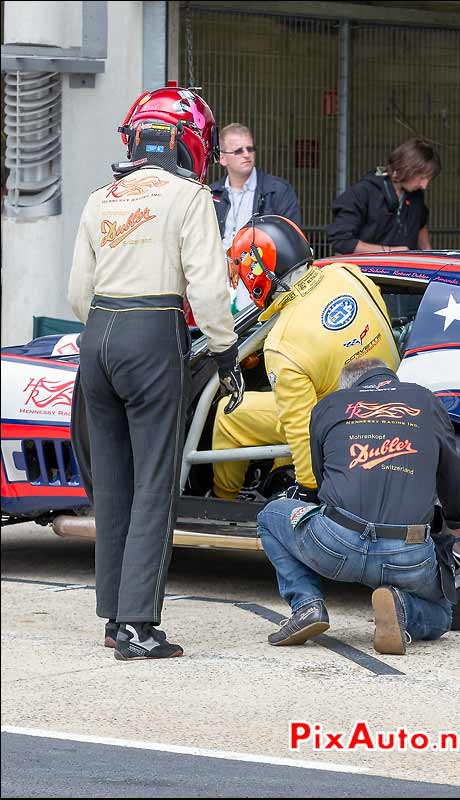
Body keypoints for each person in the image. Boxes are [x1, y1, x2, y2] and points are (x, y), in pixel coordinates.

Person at [67, 84, 244, 661]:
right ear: (188, 140)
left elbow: (77, 294)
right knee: (154, 486)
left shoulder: (103, 197)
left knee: (113, 487)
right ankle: (139, 627)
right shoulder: (189, 197)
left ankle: (113, 617)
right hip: (152, 330)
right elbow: (210, 289)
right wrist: (224, 351)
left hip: (98, 334)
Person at [257, 358, 460, 653]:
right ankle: (403, 608)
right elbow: (453, 475)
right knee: (441, 615)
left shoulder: (329, 405)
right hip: (407, 554)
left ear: (349, 384)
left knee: (270, 515)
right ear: (391, 378)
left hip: (336, 543)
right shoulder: (426, 400)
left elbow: (323, 483)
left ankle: (307, 605)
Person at [211, 215, 401, 503]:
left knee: (229, 412)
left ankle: (221, 502)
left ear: (257, 274)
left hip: (339, 424)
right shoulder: (349, 274)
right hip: (389, 401)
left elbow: (301, 431)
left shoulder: (282, 343)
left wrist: (308, 491)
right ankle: (275, 472)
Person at [210, 124, 302, 313]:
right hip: (218, 286)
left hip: (262, 286)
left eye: (250, 148)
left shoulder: (278, 190)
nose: (246, 154)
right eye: (238, 150)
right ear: (222, 158)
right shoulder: (211, 195)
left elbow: (294, 242)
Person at [327, 139, 441, 256]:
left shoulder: (416, 195)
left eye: (428, 179)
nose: (425, 185)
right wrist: (391, 252)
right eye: (421, 178)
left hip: (403, 270)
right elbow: (341, 241)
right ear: (406, 169)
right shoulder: (362, 192)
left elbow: (421, 224)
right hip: (364, 270)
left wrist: (429, 254)